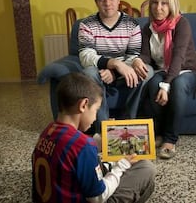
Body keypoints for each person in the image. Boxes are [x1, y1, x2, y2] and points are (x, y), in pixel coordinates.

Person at [31, 72, 156, 203]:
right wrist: (121, 166)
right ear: (83, 105)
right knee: (146, 169)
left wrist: (101, 139)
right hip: (93, 198)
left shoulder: (48, 131)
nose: (95, 117)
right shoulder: (84, 145)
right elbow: (97, 198)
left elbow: (69, 149)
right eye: (96, 110)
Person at [132, 0, 196, 159]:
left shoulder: (182, 24)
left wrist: (166, 85)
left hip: (187, 70)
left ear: (172, 4)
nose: (159, 8)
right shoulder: (147, 29)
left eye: (164, 3)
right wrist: (137, 60)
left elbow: (178, 57)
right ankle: (160, 132)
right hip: (163, 70)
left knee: (178, 86)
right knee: (152, 85)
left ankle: (170, 139)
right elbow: (147, 56)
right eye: (155, 3)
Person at [78, 0, 153, 134]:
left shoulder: (132, 24)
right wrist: (113, 63)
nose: (107, 3)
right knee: (88, 72)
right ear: (96, 1)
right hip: (99, 73)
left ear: (119, 0)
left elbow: (134, 56)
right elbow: (86, 56)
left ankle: (129, 124)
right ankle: (105, 130)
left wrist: (116, 71)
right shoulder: (86, 24)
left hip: (122, 73)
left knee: (146, 71)